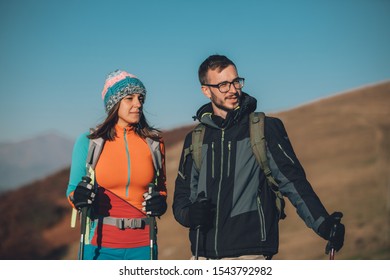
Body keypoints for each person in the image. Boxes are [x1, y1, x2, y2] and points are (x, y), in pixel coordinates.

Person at [172, 54, 345, 260]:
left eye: (236, 81)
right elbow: (181, 198)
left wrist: (322, 223)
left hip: (250, 254)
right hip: (201, 255)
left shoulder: (263, 128)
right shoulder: (195, 139)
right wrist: (190, 215)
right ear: (206, 90)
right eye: (223, 85)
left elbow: (293, 181)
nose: (233, 89)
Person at [66, 69, 167, 260]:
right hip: (99, 246)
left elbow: (161, 188)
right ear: (114, 104)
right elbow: (72, 191)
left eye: (140, 98)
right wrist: (78, 197)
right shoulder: (89, 142)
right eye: (129, 98)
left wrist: (161, 202)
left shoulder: (154, 143)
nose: (138, 104)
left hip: (144, 246)